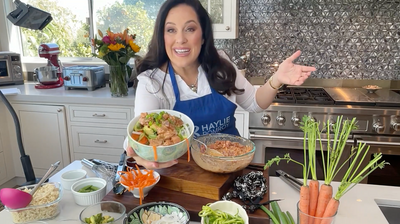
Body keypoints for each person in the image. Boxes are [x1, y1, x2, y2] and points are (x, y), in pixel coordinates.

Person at [126, 0, 316, 169]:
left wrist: (277, 79)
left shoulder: (220, 65)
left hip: (229, 168)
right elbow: (139, 135)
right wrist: (135, 151)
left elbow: (255, 103)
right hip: (181, 176)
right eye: (171, 30)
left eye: (190, 29)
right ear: (162, 36)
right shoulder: (152, 82)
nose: (180, 39)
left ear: (202, 35)